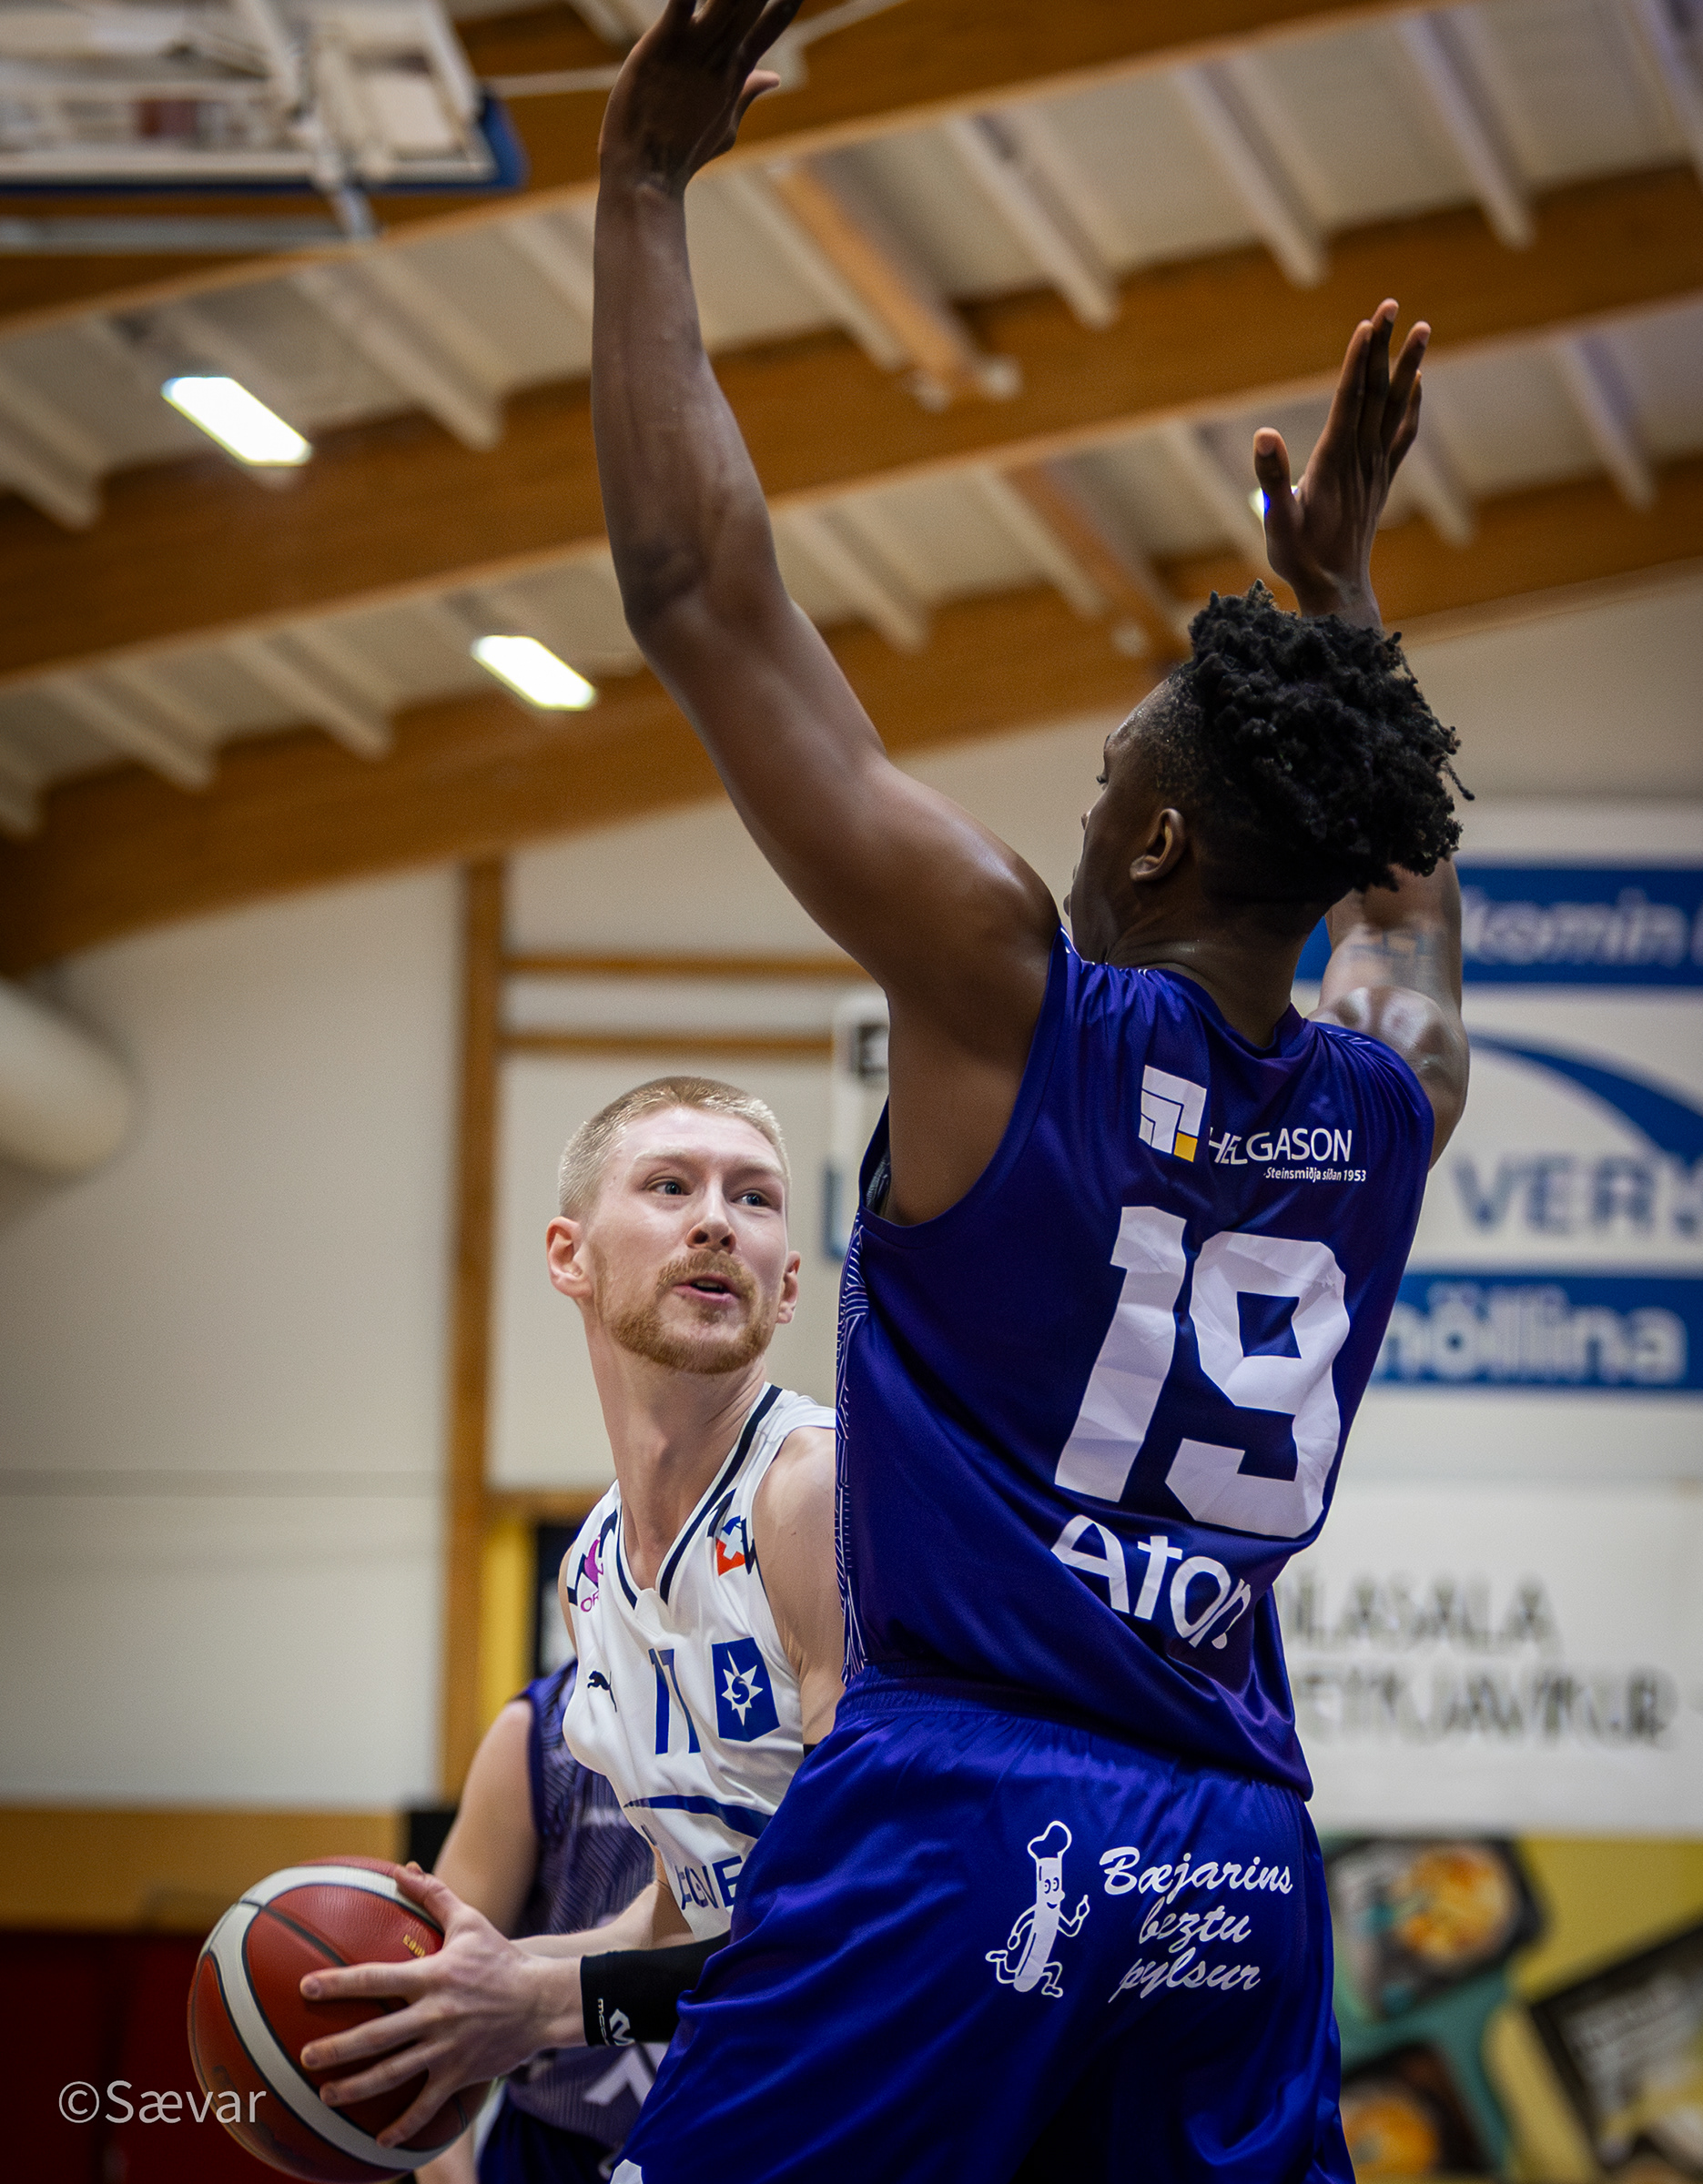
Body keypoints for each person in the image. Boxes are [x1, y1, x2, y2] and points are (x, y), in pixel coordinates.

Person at [569, 6, 1469, 2181]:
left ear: (1153, 840)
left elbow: (700, 595)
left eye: (1107, 777)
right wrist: (1342, 606)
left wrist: (641, 187)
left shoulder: (1015, 999)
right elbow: (1413, 936)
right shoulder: (1391, 1106)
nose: (1082, 806)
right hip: (1238, 1861)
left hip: (970, 1815)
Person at [298, 1077, 839, 2158]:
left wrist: (545, 2005)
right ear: (568, 1256)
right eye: (670, 1185)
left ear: (786, 1286)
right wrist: (466, 1984)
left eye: (755, 1197)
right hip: (763, 2083)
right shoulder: (590, 1573)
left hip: (909, 2093)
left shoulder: (814, 1495)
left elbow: (872, 1905)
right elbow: (686, 1914)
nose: (716, 1221)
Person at [416, 1662, 661, 2184]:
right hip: (552, 2147)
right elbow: (436, 2013)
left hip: (741, 2141)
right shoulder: (538, 1739)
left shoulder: (797, 1724)